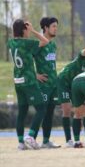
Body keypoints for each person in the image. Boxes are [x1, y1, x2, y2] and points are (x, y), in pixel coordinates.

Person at [7, 19, 49, 150]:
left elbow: (23, 62)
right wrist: (34, 31)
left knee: (22, 111)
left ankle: (20, 142)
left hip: (18, 81)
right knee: (41, 109)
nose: (28, 32)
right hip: (29, 82)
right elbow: (45, 41)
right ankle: (31, 136)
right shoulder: (26, 43)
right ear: (24, 29)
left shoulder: (11, 43)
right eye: (27, 29)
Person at [33, 17, 60, 148]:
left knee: (49, 113)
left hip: (53, 85)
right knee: (41, 112)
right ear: (45, 28)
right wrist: (34, 75)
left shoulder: (53, 45)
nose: (56, 29)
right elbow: (25, 59)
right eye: (53, 26)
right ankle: (31, 139)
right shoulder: (39, 43)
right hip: (43, 86)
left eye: (56, 26)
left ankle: (46, 141)